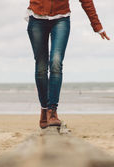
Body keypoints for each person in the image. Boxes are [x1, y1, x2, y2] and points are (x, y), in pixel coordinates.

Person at [25, 0, 110, 129]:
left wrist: (97, 25)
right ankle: (44, 109)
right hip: (37, 19)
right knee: (41, 67)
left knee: (56, 62)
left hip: (61, 19)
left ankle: (52, 111)